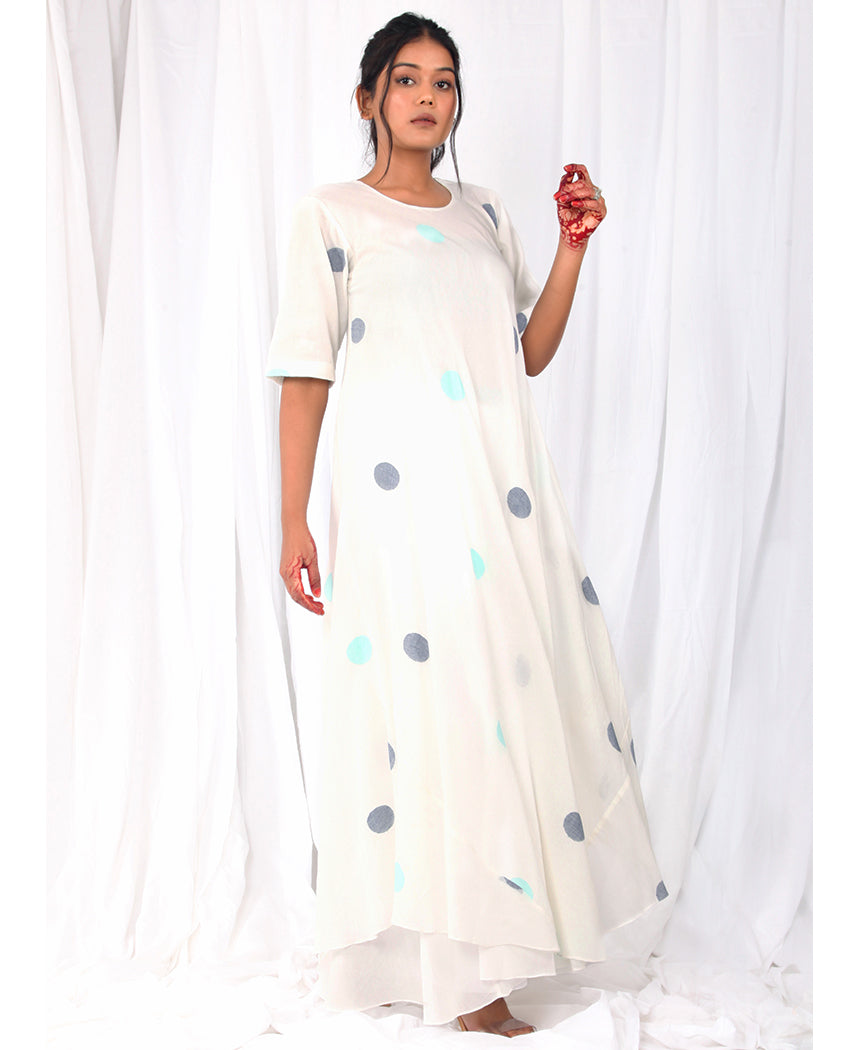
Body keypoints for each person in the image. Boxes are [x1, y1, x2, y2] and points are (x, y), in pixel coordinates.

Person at [266, 11, 667, 1038]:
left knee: (498, 707)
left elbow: (525, 351)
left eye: (444, 82)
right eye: (406, 79)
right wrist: (293, 518)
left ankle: (489, 946)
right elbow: (305, 371)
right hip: (397, 506)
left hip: (497, 498)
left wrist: (572, 247)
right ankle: (462, 976)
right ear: (368, 98)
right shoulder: (331, 215)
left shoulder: (486, 212)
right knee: (431, 711)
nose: (427, 98)